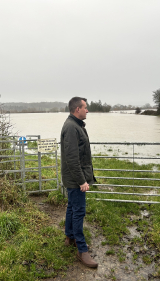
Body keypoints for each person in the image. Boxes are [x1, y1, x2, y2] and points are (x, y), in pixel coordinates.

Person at [60, 97, 98, 268]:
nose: (87, 110)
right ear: (77, 109)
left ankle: (70, 237)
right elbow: (72, 159)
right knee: (79, 211)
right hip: (75, 179)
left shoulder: (76, 125)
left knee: (72, 207)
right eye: (85, 107)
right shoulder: (71, 128)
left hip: (74, 178)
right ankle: (82, 250)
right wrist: (82, 181)